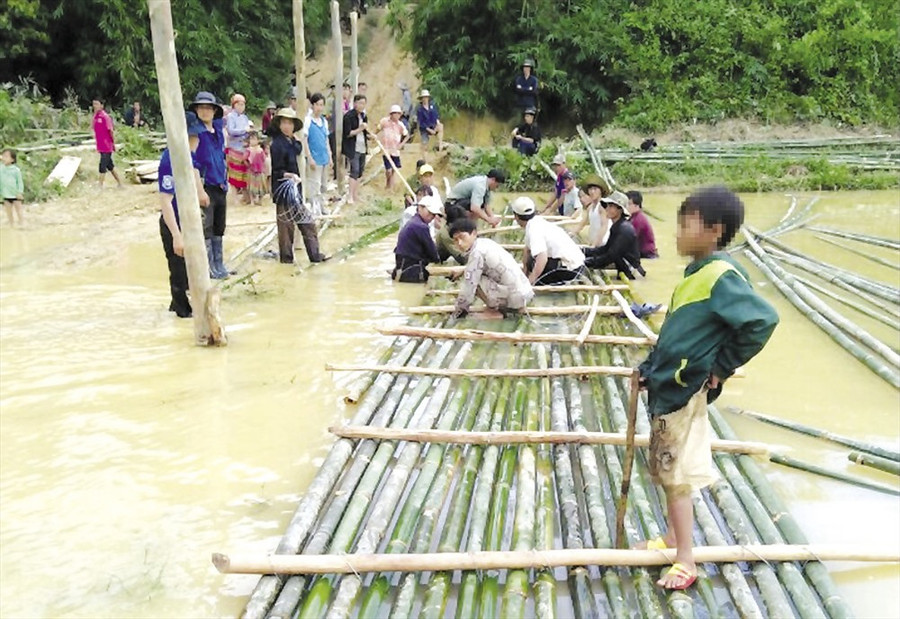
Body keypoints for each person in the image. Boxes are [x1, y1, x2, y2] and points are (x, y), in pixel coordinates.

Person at [636, 185, 779, 590]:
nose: (678, 233)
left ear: (714, 231)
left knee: (677, 475)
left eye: (686, 225)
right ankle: (670, 538)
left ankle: (685, 560)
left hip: (683, 394)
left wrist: (722, 365)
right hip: (667, 389)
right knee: (666, 471)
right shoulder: (694, 275)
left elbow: (762, 321)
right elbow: (676, 334)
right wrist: (650, 366)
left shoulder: (720, 276)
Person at [157, 111, 209, 318]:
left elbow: (195, 171)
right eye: (192, 136)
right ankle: (182, 312)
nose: (196, 140)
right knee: (178, 271)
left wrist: (201, 193)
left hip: (189, 221)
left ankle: (177, 305)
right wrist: (177, 236)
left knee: (190, 271)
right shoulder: (170, 160)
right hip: (174, 224)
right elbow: (165, 201)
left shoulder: (188, 155)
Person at [269, 107, 327, 265]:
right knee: (286, 230)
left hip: (296, 191)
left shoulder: (293, 141)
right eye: (284, 123)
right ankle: (287, 261)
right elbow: (276, 171)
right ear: (280, 124)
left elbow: (298, 148)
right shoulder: (277, 145)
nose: (287, 126)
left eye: (290, 123)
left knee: (307, 223)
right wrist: (290, 176)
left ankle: (315, 255)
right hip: (284, 190)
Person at [450, 218, 534, 319]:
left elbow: (469, 287)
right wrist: (463, 271)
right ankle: (513, 306)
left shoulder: (476, 253)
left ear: (474, 233)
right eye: (455, 240)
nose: (459, 243)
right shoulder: (484, 243)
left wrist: (458, 311)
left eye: (462, 237)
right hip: (524, 292)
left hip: (515, 297)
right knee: (471, 273)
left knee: (473, 280)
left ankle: (493, 310)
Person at [189, 91, 230, 279]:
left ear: (214, 111)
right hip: (206, 186)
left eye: (208, 108)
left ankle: (219, 263)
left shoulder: (217, 131)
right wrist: (199, 191)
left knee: (219, 226)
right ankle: (209, 266)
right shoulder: (196, 134)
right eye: (201, 108)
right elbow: (193, 164)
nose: (205, 111)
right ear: (197, 110)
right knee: (207, 227)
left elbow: (222, 157)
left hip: (220, 185)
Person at [512, 196, 585, 285]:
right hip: (574, 264)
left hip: (571, 269)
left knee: (534, 264)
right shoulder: (536, 221)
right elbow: (527, 250)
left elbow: (542, 258)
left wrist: (530, 282)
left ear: (516, 216)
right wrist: (524, 274)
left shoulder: (534, 229)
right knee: (530, 261)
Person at [584, 190, 645, 279]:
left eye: (611, 206)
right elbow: (606, 249)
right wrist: (585, 251)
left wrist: (588, 262)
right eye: (608, 205)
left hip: (632, 273)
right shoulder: (617, 226)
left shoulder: (624, 229)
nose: (607, 209)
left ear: (620, 210)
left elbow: (611, 256)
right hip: (623, 268)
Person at [392, 194, 443, 283]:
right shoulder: (420, 226)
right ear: (420, 208)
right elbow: (433, 253)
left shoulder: (413, 222)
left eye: (434, 214)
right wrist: (439, 261)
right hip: (412, 273)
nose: (431, 216)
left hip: (402, 270)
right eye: (429, 212)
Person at [302, 93, 333, 217]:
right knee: (314, 185)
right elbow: (305, 139)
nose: (319, 108)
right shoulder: (308, 121)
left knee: (323, 185)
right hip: (314, 157)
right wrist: (309, 157)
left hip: (324, 157)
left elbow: (326, 140)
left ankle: (322, 206)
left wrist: (330, 156)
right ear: (312, 105)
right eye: (317, 105)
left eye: (321, 105)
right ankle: (314, 209)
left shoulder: (324, 121)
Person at [342, 94, 369, 205]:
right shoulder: (348, 116)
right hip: (353, 147)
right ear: (355, 103)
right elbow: (348, 133)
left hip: (363, 146)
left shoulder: (364, 116)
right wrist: (360, 129)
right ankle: (350, 196)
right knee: (354, 171)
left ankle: (355, 195)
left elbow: (365, 132)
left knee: (360, 172)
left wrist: (369, 135)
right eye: (360, 103)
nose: (362, 106)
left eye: (364, 103)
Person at [92, 97, 123, 189]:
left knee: (102, 165)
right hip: (100, 145)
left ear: (102, 106)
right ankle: (120, 183)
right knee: (110, 166)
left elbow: (110, 131)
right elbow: (93, 127)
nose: (95, 106)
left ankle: (100, 185)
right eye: (94, 104)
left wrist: (113, 143)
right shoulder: (96, 117)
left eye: (97, 104)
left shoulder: (105, 117)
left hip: (107, 145)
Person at [225, 93, 251, 203]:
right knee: (234, 174)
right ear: (234, 105)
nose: (241, 106)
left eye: (243, 104)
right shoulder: (230, 117)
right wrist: (244, 131)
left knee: (245, 173)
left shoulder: (245, 117)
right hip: (234, 148)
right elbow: (231, 131)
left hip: (244, 148)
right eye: (239, 104)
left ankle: (246, 196)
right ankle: (234, 197)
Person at [377, 104, 409, 190]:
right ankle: (388, 183)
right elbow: (377, 129)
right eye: (395, 113)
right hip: (386, 149)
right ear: (391, 114)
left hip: (395, 150)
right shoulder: (384, 121)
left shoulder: (400, 125)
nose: (397, 115)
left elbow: (406, 135)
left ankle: (391, 185)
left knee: (394, 169)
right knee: (388, 170)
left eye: (398, 114)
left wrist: (401, 144)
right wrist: (374, 136)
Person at [574, 175, 610, 249]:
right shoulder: (590, 207)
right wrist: (572, 233)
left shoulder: (602, 206)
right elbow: (583, 223)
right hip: (593, 242)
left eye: (595, 189)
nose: (592, 192)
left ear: (600, 191)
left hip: (603, 243)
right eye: (590, 189)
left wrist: (595, 244)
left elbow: (604, 227)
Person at [627, 190, 659, 258]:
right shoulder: (633, 217)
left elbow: (629, 241)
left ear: (637, 205)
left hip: (647, 255)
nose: (626, 207)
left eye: (629, 204)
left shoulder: (638, 220)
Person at [1, 149, 25, 227]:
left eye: (6, 156)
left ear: (12, 159)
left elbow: (20, 182)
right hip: (5, 193)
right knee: (8, 210)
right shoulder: (1, 168)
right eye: (3, 156)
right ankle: (11, 223)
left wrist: (20, 192)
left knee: (19, 209)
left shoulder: (16, 170)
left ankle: (21, 223)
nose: (4, 158)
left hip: (15, 194)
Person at [246, 132, 268, 205]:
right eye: (251, 139)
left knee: (261, 186)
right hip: (251, 170)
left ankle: (260, 200)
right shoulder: (248, 150)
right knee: (251, 186)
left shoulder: (260, 150)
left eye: (254, 139)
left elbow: (264, 159)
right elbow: (244, 159)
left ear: (258, 140)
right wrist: (248, 165)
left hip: (260, 170)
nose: (252, 141)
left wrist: (264, 169)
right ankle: (252, 200)